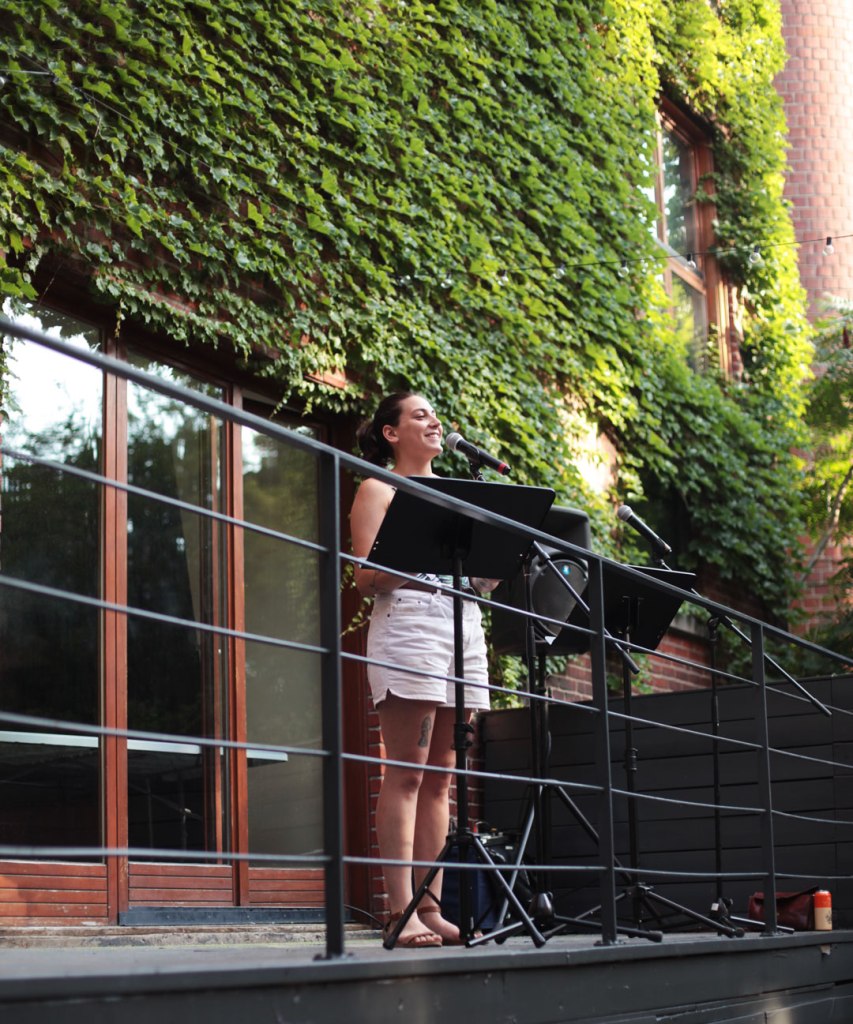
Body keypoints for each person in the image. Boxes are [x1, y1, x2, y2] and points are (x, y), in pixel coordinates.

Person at [349, 392, 498, 948]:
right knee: (407, 773)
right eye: (419, 415)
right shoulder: (379, 489)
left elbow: (477, 580)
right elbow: (365, 579)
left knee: (441, 781)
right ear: (391, 433)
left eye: (434, 415)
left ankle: (431, 908)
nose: (434, 421)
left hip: (463, 629)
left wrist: (491, 566)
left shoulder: (458, 496)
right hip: (410, 628)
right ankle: (399, 910)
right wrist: (418, 551)